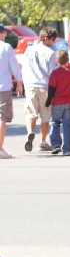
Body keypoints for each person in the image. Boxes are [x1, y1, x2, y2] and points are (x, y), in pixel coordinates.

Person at [21, 27, 58, 152]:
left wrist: (23, 83)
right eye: (53, 39)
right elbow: (53, 73)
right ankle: (43, 141)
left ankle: (30, 133)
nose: (54, 42)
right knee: (45, 115)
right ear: (46, 38)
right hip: (44, 86)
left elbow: (24, 67)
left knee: (30, 113)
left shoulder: (29, 50)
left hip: (30, 85)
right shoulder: (50, 53)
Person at [45, 49, 70, 156]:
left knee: (55, 123)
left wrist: (48, 101)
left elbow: (52, 89)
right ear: (68, 60)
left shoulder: (55, 73)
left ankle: (55, 145)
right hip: (69, 102)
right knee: (67, 125)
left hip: (57, 103)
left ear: (57, 61)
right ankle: (67, 149)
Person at [0, 25, 23, 159]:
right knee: (3, 117)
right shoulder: (6, 48)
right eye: (4, 33)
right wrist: (19, 82)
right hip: (3, 87)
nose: (6, 35)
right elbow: (14, 67)